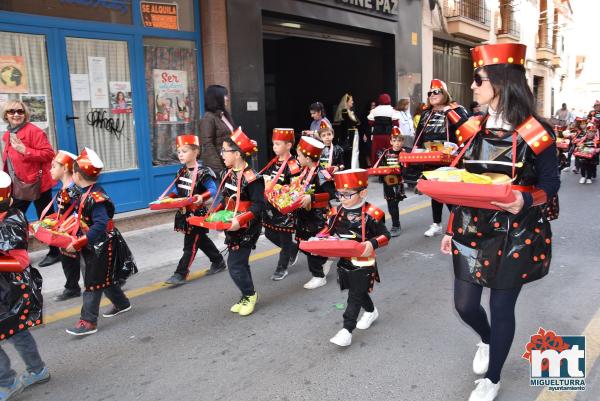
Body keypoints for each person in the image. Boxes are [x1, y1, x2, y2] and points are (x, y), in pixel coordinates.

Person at [440, 43, 560, 401]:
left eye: (479, 80)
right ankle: (488, 339)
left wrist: (525, 199)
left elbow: (550, 184)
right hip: (470, 227)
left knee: (501, 306)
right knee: (464, 305)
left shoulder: (536, 131)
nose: (472, 86)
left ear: (502, 82)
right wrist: (450, 228)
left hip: (516, 231)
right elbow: (460, 180)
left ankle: (492, 379)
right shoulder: (472, 126)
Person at [65, 148, 137, 336]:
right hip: (95, 244)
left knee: (92, 282)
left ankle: (88, 322)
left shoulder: (96, 198)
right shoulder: (85, 191)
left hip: (102, 246)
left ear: (78, 176)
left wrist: (81, 241)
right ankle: (122, 303)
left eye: (73, 173)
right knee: (104, 278)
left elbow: (100, 225)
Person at [325, 169, 391, 347]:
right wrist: (318, 242)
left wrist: (373, 243)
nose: (342, 198)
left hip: (364, 262)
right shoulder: (335, 211)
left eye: (347, 194)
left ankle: (346, 330)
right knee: (355, 290)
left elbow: (385, 235)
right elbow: (327, 232)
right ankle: (371, 311)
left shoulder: (372, 214)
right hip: (344, 260)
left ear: (363, 193)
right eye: (339, 194)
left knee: (354, 295)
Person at [0, 171, 49, 401]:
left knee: (16, 330)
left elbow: (19, 262)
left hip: (8, 290)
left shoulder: (11, 221)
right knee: (17, 331)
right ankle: (37, 369)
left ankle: (7, 382)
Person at [1, 100, 59, 268]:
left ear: (25, 114)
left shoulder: (34, 131)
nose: (16, 114)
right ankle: (18, 252)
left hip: (37, 183)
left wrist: (24, 150)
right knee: (15, 218)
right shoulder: (8, 134)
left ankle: (55, 252)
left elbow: (48, 154)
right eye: (12, 111)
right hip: (18, 183)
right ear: (6, 115)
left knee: (45, 218)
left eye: (20, 111)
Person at [164, 135, 226, 286]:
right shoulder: (181, 171)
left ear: (196, 152)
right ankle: (218, 261)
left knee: (190, 244)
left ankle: (180, 273)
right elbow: (176, 190)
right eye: (179, 152)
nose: (180, 155)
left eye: (184, 151)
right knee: (201, 240)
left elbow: (212, 189)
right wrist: (167, 198)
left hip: (196, 214)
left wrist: (201, 196)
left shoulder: (203, 171)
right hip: (184, 212)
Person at [215, 129, 264, 316]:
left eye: (224, 151)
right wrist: (213, 214)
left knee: (235, 264)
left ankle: (250, 295)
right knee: (241, 264)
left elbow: (258, 206)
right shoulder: (226, 174)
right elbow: (224, 200)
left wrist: (240, 219)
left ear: (237, 154)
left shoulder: (252, 178)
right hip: (231, 224)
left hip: (248, 227)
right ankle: (246, 294)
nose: (222, 155)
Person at [414, 79, 469, 237]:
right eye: (430, 93)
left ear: (445, 94)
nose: (432, 95)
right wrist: (415, 154)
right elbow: (419, 136)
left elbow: (466, 130)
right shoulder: (425, 113)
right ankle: (437, 224)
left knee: (450, 194)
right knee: (435, 192)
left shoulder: (456, 109)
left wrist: (448, 112)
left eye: (436, 92)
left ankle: (459, 224)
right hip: (430, 159)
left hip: (451, 159)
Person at [295, 136, 335, 290]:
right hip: (304, 215)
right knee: (301, 244)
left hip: (316, 216)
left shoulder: (321, 173)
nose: (297, 158)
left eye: (299, 155)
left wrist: (311, 197)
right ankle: (326, 257)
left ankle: (318, 276)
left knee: (311, 245)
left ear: (307, 157)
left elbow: (331, 194)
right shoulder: (304, 171)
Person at [261, 128, 302, 281]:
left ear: (289, 145)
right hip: (271, 206)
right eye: (274, 144)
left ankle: (282, 267)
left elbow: (295, 188)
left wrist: (277, 189)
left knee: (284, 238)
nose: (274, 147)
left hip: (285, 208)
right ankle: (293, 248)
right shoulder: (274, 161)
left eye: (278, 144)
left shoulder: (293, 165)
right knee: (270, 233)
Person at [48, 151, 82, 302]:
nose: (50, 170)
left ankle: (111, 284)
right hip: (66, 232)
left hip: (78, 232)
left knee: (90, 262)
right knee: (67, 260)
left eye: (54, 166)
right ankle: (72, 288)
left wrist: (68, 225)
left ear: (65, 169)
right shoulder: (63, 188)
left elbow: (82, 210)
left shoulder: (74, 189)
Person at [375, 128, 406, 237]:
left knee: (394, 203)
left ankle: (396, 225)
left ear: (402, 142)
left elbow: (407, 168)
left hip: (398, 182)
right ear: (390, 141)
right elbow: (380, 166)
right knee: (390, 204)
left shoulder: (405, 153)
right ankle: (395, 224)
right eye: (394, 140)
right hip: (387, 182)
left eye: (399, 141)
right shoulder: (385, 152)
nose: (397, 143)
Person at [199, 85, 235, 176]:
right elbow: (207, 145)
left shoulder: (224, 115)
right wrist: (219, 169)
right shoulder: (208, 118)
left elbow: (231, 137)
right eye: (224, 95)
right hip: (218, 168)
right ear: (216, 98)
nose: (227, 98)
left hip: (229, 163)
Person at [367, 93, 400, 164]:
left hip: (377, 136)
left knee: (376, 152)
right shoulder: (392, 110)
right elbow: (396, 123)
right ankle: (390, 167)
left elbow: (370, 122)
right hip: (388, 135)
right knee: (389, 151)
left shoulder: (374, 110)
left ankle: (377, 166)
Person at [333, 94, 360, 169]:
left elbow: (358, 122)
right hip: (350, 135)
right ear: (346, 102)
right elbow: (354, 123)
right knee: (353, 152)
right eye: (351, 100)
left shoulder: (350, 112)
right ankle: (352, 168)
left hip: (354, 134)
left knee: (355, 152)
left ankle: (354, 168)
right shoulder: (345, 112)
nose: (352, 102)